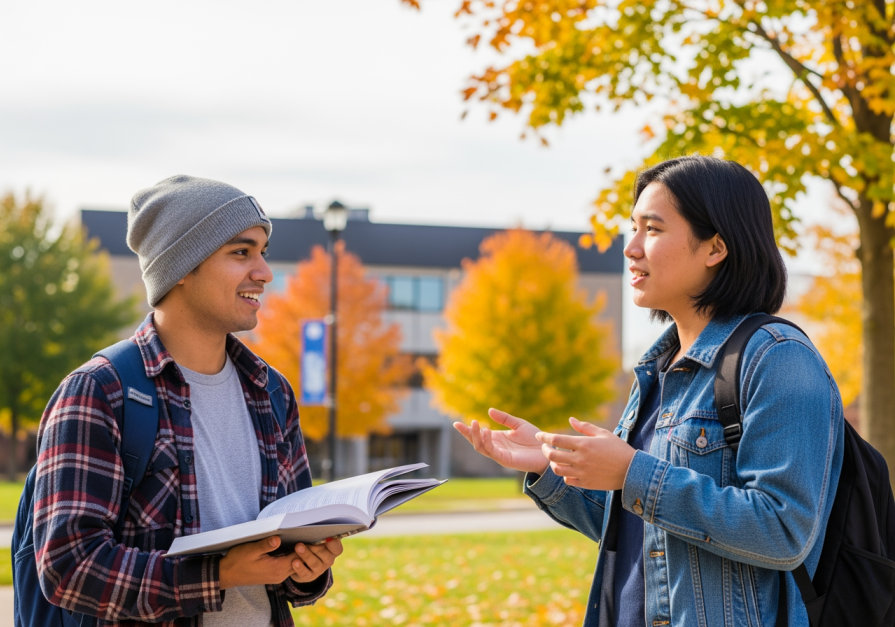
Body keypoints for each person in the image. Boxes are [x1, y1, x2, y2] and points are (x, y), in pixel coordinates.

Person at [455, 156, 844, 627]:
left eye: (653, 229)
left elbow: (783, 530)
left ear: (715, 247)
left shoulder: (778, 358)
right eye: (633, 228)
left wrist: (633, 472)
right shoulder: (658, 369)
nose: (631, 247)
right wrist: (549, 465)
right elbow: (642, 530)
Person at [33, 175, 342, 627]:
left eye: (263, 252)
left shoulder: (271, 391)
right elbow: (69, 568)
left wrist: (308, 570)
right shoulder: (101, 391)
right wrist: (217, 575)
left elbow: (290, 561)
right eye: (241, 252)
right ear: (181, 265)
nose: (264, 272)